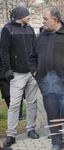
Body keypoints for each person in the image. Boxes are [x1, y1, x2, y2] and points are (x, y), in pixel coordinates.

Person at [29, 6, 64, 150]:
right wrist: (36, 73)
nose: (43, 21)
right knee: (52, 115)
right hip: (47, 86)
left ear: (55, 20)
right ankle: (56, 142)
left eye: (45, 19)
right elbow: (32, 58)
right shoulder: (40, 37)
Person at [0, 6, 40, 147]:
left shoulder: (29, 29)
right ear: (20, 15)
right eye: (27, 14)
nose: (29, 16)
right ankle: (11, 134)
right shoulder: (7, 29)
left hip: (31, 73)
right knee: (14, 105)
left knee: (32, 103)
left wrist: (36, 68)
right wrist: (7, 70)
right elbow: (3, 51)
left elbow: (35, 49)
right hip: (16, 74)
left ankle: (31, 129)